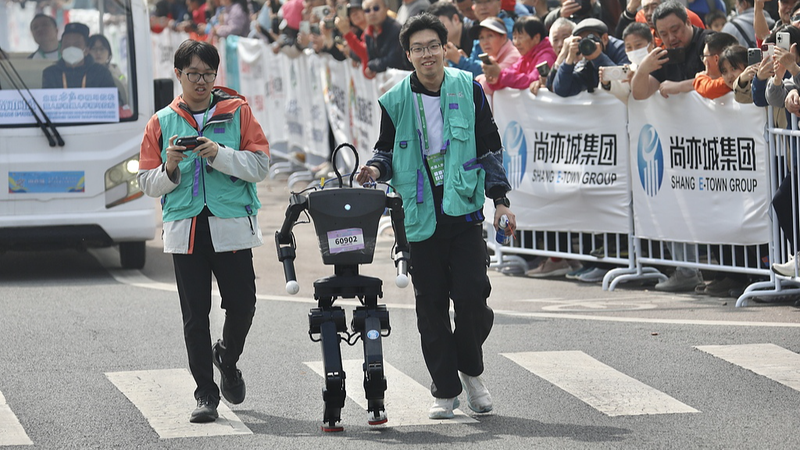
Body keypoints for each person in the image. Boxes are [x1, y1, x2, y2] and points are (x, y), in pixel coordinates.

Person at [355, 13, 516, 420]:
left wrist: (500, 200)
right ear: (408, 55)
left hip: (462, 210)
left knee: (473, 299)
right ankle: (446, 390)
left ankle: (471, 372)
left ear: (445, 48)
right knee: (430, 308)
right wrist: (374, 170)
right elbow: (386, 151)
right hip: (419, 215)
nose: (427, 54)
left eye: (433, 46)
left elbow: (489, 147)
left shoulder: (468, 87)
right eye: (418, 48)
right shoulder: (394, 100)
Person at [136, 39, 270, 423]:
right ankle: (205, 394)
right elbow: (146, 182)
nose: (201, 82)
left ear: (216, 76)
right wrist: (171, 167)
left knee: (242, 304)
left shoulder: (237, 112)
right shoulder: (160, 122)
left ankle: (227, 356)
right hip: (186, 229)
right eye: (193, 74)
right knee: (196, 315)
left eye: (208, 74)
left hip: (231, 226)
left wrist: (219, 154)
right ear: (177, 75)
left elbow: (261, 166)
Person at [630, 0, 714, 100]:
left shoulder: (711, 42)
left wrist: (680, 87)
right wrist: (642, 70)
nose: (671, 38)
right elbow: (639, 95)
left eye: (675, 30)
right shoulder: (663, 55)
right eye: (664, 34)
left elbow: (723, 79)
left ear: (688, 22)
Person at [550, 17, 629, 97]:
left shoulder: (621, 49)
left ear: (604, 38)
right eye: (582, 41)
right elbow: (561, 90)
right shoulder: (585, 62)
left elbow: (623, 82)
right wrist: (569, 60)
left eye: (590, 39)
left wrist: (599, 57)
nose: (587, 45)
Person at [484, 16, 555, 91]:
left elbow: (532, 80)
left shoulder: (546, 56)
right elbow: (510, 73)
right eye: (514, 37)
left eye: (520, 37)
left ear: (536, 38)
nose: (516, 43)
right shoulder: (525, 57)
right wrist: (494, 79)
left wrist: (500, 75)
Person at [41, 22, 116, 90]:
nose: (71, 48)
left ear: (86, 51)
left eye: (76, 45)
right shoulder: (51, 73)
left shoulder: (101, 73)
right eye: (67, 45)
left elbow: (115, 101)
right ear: (61, 50)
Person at [614, 0, 704, 49]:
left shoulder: (686, 17)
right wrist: (630, 10)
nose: (650, 13)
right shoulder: (641, 17)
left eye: (654, 6)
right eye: (646, 8)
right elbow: (621, 41)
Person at [362, 0, 411, 77]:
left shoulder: (396, 29)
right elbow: (371, 59)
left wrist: (372, 65)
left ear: (386, 9)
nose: (372, 13)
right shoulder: (367, 33)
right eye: (367, 10)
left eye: (376, 8)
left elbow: (394, 60)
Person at [474, 16, 521, 95]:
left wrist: (478, 79)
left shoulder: (514, 56)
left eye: (490, 36)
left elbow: (490, 84)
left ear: (503, 37)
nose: (485, 42)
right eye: (481, 37)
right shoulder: (493, 57)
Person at [692, 32, 739, 99]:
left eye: (705, 56)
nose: (703, 60)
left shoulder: (731, 79)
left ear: (716, 59)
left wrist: (700, 78)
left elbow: (708, 90)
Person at [87, 34, 129, 106]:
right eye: (94, 49)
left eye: (102, 49)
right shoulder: (83, 74)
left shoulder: (117, 73)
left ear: (109, 53)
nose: (98, 53)